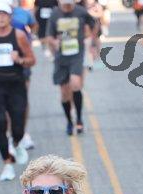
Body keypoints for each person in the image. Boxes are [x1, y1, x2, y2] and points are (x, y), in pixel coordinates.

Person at [0, 0, 35, 181]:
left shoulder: (19, 35)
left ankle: (17, 143)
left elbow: (32, 60)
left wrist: (20, 59)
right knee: (0, 122)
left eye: (4, 14)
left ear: (10, 17)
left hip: (16, 84)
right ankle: (7, 163)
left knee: (18, 126)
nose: (1, 17)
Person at [46, 0, 96, 135]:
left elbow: (94, 24)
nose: (67, 6)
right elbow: (49, 36)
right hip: (61, 57)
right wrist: (54, 42)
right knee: (64, 93)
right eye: (64, 4)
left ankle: (79, 119)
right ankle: (69, 121)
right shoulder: (55, 14)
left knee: (75, 84)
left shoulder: (81, 11)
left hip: (77, 54)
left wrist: (92, 42)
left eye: (69, 4)